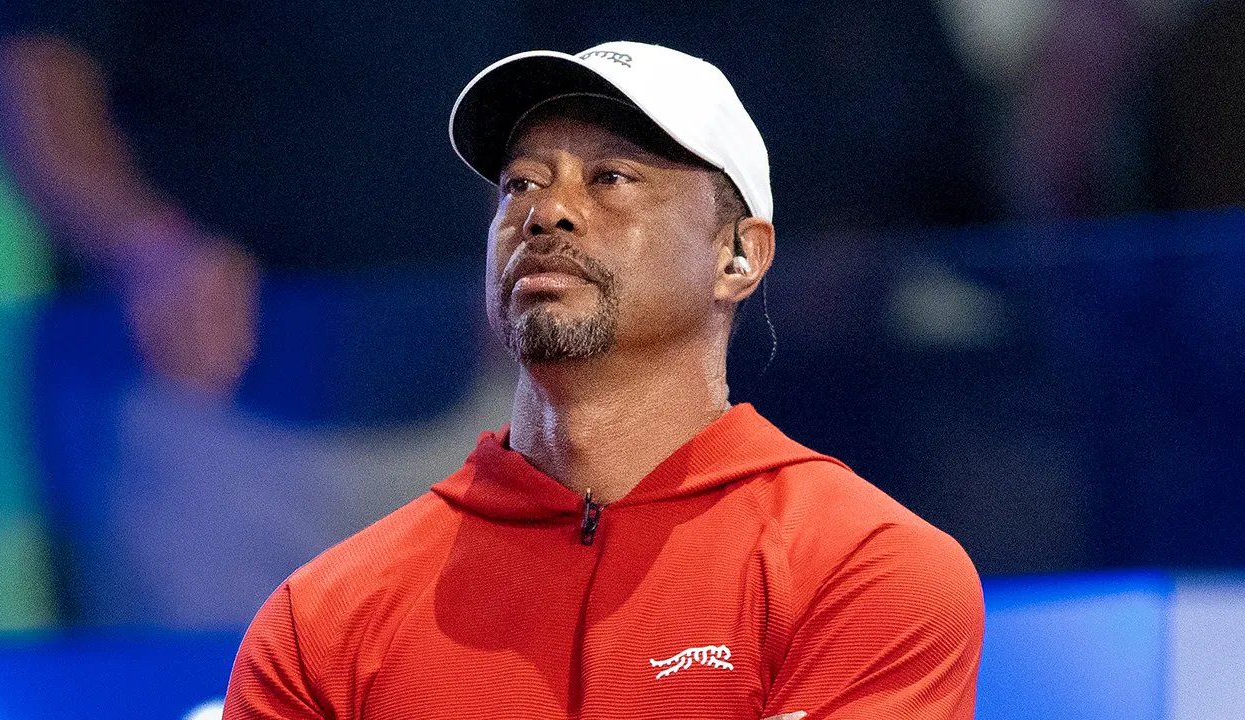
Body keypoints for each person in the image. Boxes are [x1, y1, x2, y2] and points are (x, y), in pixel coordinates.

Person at [225, 41, 984, 719]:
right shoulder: (320, 625)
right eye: (520, 184)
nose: (547, 212)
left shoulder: (867, 570)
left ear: (740, 256)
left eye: (610, 178)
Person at [0, 0, 525, 625]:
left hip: (470, 397)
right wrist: (148, 250)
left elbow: (561, 68)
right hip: (192, 412)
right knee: (208, 672)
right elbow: (32, 65)